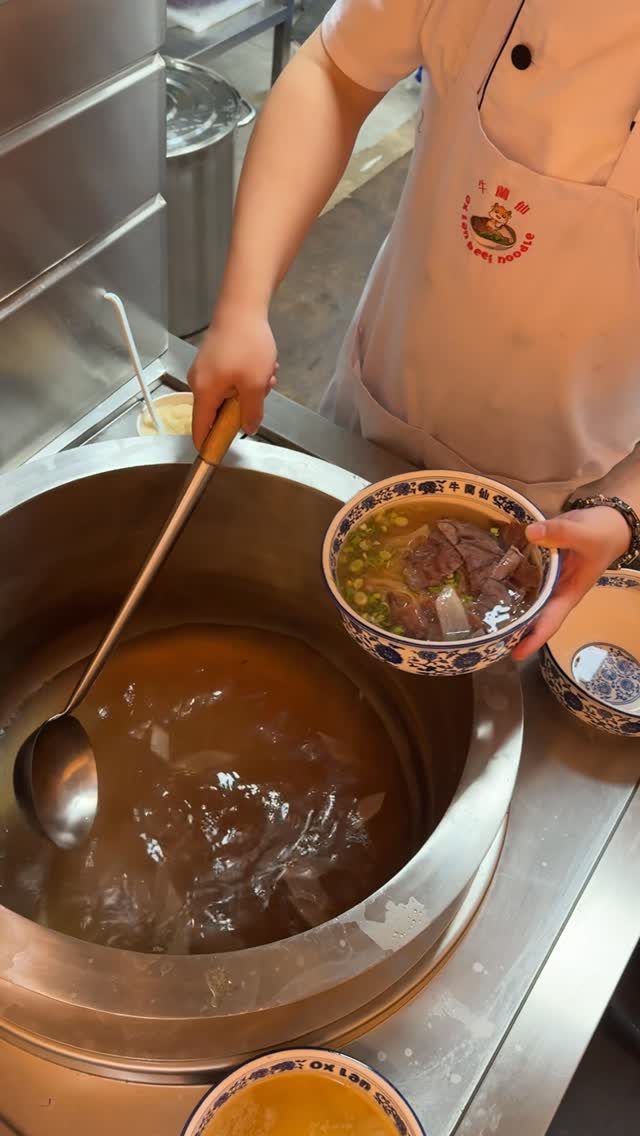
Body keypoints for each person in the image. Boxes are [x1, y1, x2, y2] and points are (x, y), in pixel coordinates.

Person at [188, 0, 640, 659]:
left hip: (571, 506)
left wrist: (624, 511)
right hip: (373, 414)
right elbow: (334, 74)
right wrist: (241, 306)